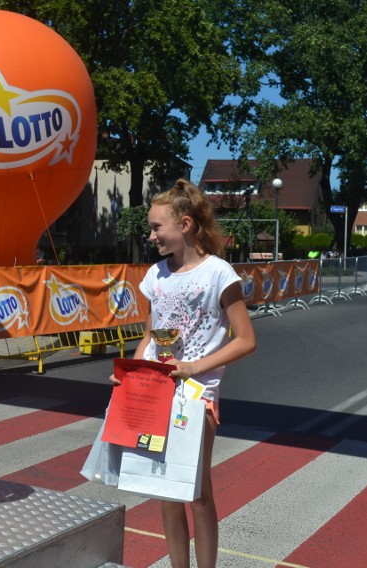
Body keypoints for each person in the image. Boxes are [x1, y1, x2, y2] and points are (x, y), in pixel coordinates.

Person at [111, 179, 256, 568]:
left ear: (186, 224)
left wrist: (192, 367)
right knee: (166, 491)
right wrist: (131, 373)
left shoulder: (218, 273)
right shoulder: (155, 275)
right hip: (156, 392)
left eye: (158, 226)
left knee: (196, 492)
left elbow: (245, 340)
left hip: (197, 394)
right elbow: (149, 336)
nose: (152, 233)